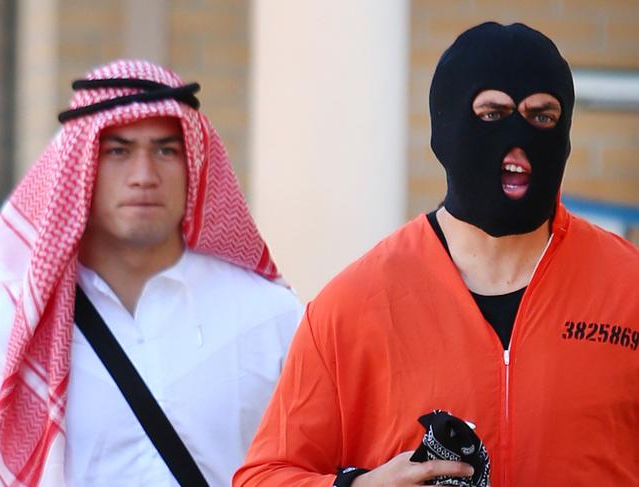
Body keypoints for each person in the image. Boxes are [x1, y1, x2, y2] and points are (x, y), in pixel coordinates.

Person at [234, 22, 639, 487]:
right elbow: (263, 477)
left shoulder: (628, 288)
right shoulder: (353, 305)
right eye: (492, 114)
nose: (520, 137)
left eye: (542, 116)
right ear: (446, 127)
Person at [0, 60, 302, 486]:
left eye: (165, 150)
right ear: (80, 167)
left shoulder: (270, 317)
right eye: (117, 151)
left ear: (193, 163)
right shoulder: (9, 323)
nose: (143, 176)